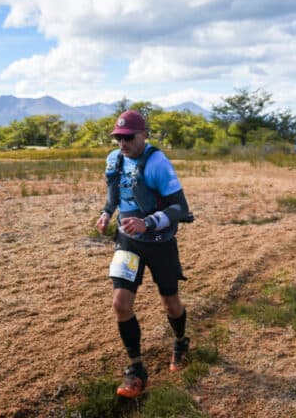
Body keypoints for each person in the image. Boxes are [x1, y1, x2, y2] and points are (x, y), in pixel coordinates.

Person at [96, 110, 191, 399]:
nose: (122, 143)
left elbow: (181, 208)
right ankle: (136, 369)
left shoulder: (158, 164)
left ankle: (180, 341)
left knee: (170, 303)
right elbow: (115, 192)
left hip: (160, 241)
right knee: (121, 304)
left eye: (128, 137)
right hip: (129, 242)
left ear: (144, 135)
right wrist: (106, 213)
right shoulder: (115, 159)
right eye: (118, 138)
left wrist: (147, 222)